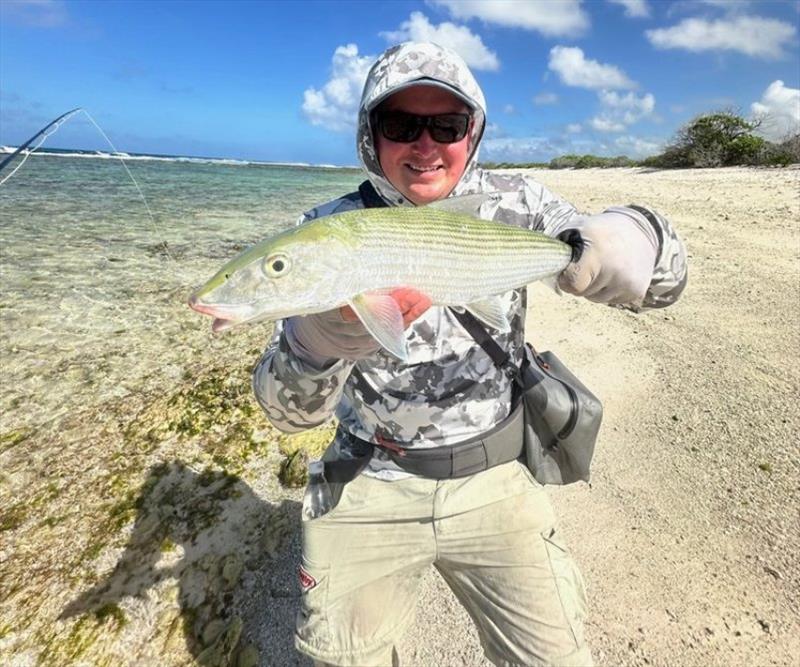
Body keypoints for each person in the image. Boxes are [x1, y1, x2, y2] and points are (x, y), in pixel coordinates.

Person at [253, 42, 687, 667]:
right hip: (369, 484)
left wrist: (637, 234)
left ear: (473, 131)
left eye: (447, 126)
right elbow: (285, 414)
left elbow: (666, 286)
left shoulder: (522, 207)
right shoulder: (325, 230)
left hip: (498, 479)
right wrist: (314, 344)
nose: (425, 146)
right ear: (369, 135)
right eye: (401, 125)